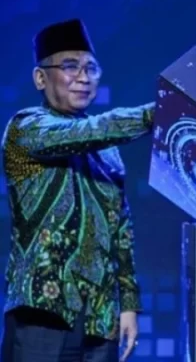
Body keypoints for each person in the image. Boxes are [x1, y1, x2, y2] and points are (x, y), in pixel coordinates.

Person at [0, 19, 155, 361]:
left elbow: (121, 230)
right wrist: (158, 113)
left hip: (100, 317)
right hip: (43, 311)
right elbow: (88, 132)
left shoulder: (108, 150)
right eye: (70, 66)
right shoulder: (26, 128)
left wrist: (129, 304)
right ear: (41, 78)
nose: (83, 77)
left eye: (91, 68)